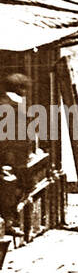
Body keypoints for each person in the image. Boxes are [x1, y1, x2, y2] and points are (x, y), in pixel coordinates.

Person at [0, 75, 34, 236]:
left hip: (15, 157)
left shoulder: (14, 104)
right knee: (10, 187)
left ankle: (9, 221)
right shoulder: (8, 105)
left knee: (19, 187)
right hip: (9, 157)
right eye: (25, 88)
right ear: (20, 88)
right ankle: (8, 223)